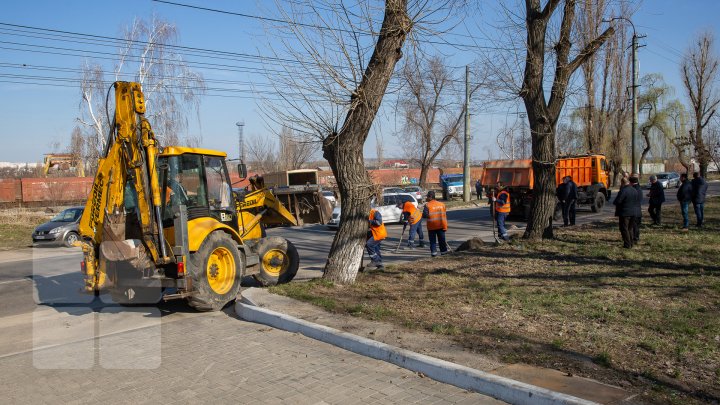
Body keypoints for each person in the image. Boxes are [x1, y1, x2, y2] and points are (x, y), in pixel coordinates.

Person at [613, 177, 638, 248]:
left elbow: (618, 201)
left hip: (624, 212)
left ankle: (627, 244)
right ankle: (631, 243)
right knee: (630, 228)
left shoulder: (623, 191)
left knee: (624, 228)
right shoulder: (634, 190)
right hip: (633, 212)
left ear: (622, 183)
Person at [422, 190, 448, 257]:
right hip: (441, 226)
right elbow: (444, 216)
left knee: (433, 241)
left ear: (430, 197)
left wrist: (422, 214)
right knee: (442, 241)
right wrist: (445, 226)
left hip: (432, 227)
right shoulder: (442, 205)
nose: (427, 198)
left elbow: (425, 215)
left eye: (427, 196)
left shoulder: (427, 205)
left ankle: (434, 254)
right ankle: (444, 253)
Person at [629, 174, 642, 243]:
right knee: (636, 226)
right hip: (638, 210)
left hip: (634, 211)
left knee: (634, 226)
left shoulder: (633, 189)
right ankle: (636, 237)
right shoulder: (639, 188)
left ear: (631, 183)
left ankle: (635, 238)